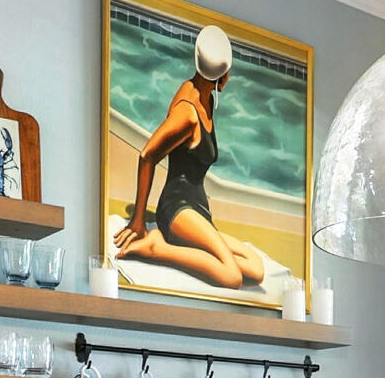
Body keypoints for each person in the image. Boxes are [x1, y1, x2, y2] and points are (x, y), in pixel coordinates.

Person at [115, 24, 271, 290]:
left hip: (199, 209)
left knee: (255, 270)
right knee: (232, 276)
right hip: (178, 209)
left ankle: (177, 247)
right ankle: (156, 248)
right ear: (225, 74)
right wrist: (138, 219)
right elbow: (147, 155)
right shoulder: (187, 114)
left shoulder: (206, 97)